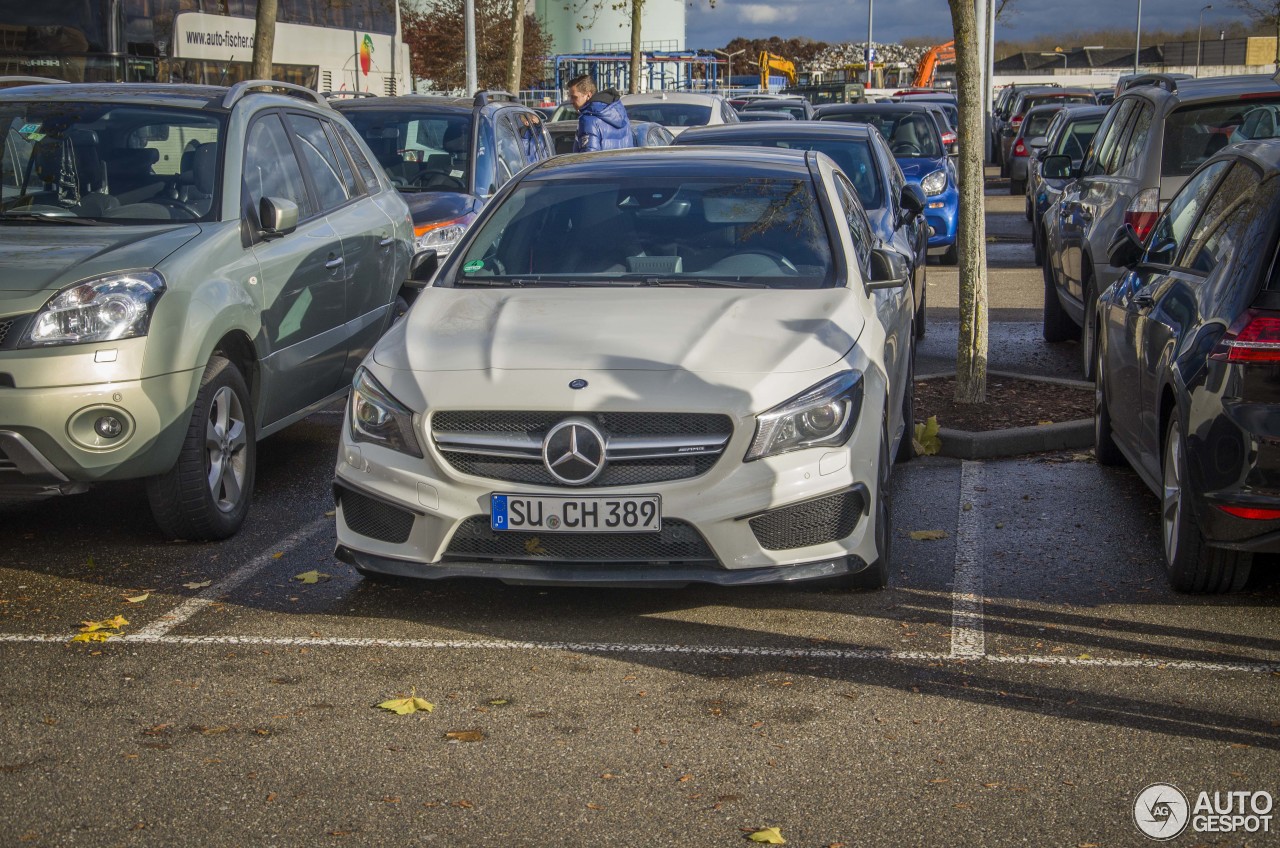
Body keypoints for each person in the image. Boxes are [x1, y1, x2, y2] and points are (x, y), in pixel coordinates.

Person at [566, 75, 633, 153]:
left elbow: (588, 158)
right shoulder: (620, 112)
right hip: (625, 164)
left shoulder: (588, 120)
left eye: (574, 97)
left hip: (602, 164)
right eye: (570, 97)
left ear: (588, 95)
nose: (571, 101)